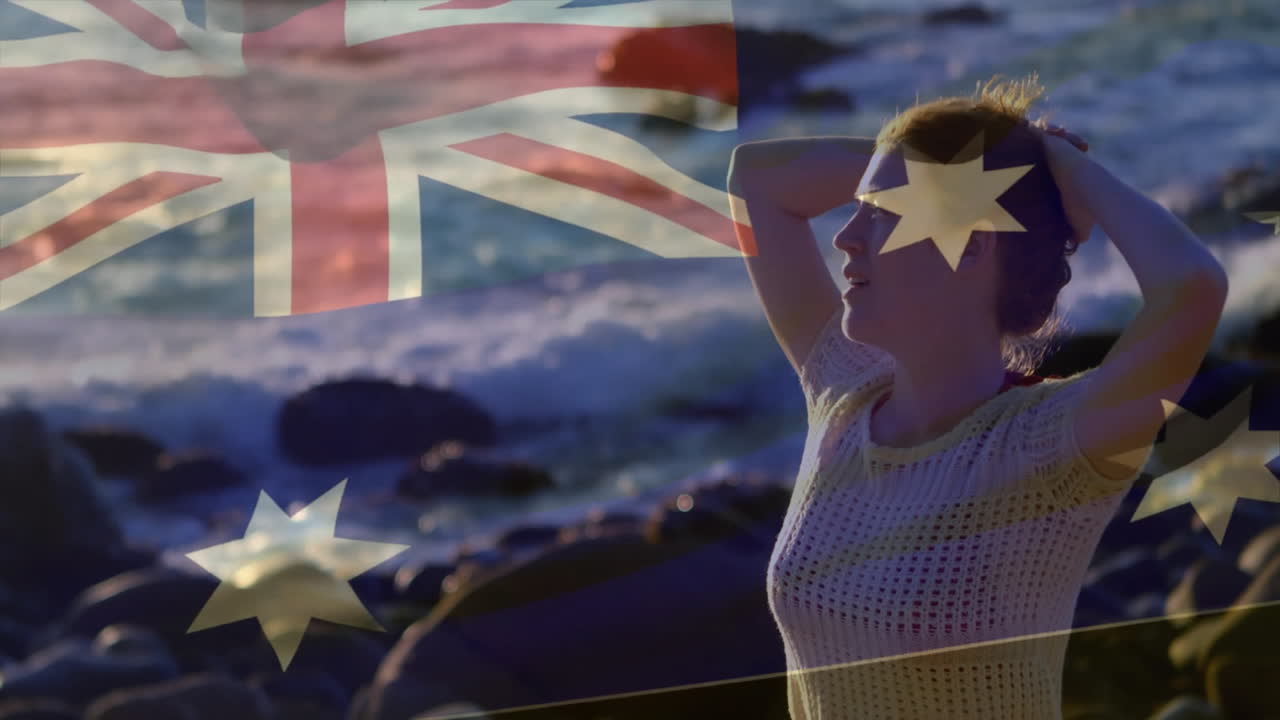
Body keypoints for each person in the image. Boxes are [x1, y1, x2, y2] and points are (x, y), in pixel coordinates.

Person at [726, 73, 1228, 719]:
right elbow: (756, 179)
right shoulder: (843, 393)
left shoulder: (1054, 447)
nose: (846, 236)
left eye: (881, 214)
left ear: (972, 246)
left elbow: (1191, 286)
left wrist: (1054, 167)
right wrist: (980, 173)